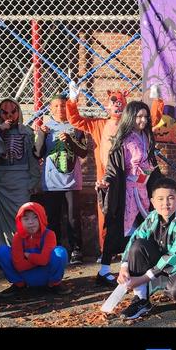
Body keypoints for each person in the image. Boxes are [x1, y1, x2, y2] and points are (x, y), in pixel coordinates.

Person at [112, 177, 176, 321]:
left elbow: (174, 257)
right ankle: (141, 300)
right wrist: (124, 266)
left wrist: (143, 278)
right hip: (159, 265)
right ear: (153, 202)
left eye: (170, 198)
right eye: (160, 199)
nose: (165, 203)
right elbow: (135, 238)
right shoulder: (152, 217)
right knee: (138, 245)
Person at [65, 82, 127, 256]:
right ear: (108, 105)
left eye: (121, 102)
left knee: (126, 211)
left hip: (126, 175)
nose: (117, 105)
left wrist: (157, 100)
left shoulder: (130, 126)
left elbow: (150, 122)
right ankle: (105, 250)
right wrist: (72, 100)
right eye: (114, 102)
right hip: (105, 175)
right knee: (104, 211)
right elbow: (75, 120)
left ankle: (125, 248)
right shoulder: (98, 124)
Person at [100, 100, 158, 283]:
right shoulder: (122, 139)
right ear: (130, 117)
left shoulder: (147, 137)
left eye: (145, 117)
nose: (143, 120)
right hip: (125, 192)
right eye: (139, 116)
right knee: (117, 229)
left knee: (146, 228)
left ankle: (141, 267)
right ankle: (104, 269)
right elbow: (113, 167)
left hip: (143, 190)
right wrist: (107, 181)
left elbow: (151, 164)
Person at [34, 94, 88, 264]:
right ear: (50, 109)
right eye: (56, 106)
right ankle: (54, 250)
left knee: (73, 218)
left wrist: (70, 140)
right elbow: (37, 153)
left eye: (63, 105)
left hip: (72, 182)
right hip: (51, 183)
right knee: (52, 218)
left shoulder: (76, 126)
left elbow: (83, 152)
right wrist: (41, 134)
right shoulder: (46, 127)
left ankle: (76, 250)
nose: (60, 109)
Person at [0, 99, 40, 247]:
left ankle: (25, 246)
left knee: (22, 215)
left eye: (13, 112)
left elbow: (33, 158)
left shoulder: (27, 132)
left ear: (19, 112)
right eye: (5, 112)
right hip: (2, 182)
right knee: (0, 219)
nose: (9, 115)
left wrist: (35, 179)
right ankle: (5, 247)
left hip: (21, 182)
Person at [0, 201, 68, 294]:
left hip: (46, 274)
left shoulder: (49, 234)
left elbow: (44, 260)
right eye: (26, 218)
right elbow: (19, 266)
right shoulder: (18, 236)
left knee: (60, 252)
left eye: (35, 217)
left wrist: (28, 256)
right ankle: (19, 285)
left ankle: (55, 283)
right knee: (1, 251)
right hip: (24, 277)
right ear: (20, 221)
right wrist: (39, 259)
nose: (31, 222)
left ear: (42, 218)